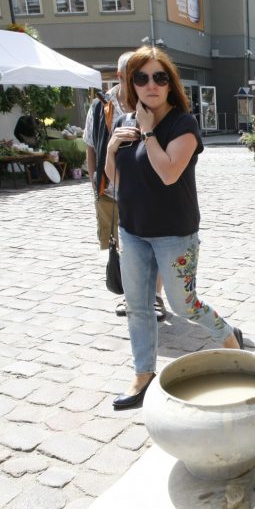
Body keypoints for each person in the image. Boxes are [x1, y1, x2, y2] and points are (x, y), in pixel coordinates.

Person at [103, 46, 242, 410]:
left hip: (174, 233)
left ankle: (229, 338)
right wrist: (111, 149)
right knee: (138, 306)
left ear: (170, 84)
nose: (151, 85)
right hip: (133, 231)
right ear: (131, 83)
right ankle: (143, 374)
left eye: (159, 77)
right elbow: (115, 178)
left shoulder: (183, 124)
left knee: (184, 305)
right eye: (142, 77)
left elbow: (168, 173)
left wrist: (149, 134)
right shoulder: (122, 123)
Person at [84, 51, 167, 321]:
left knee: (154, 243)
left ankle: (154, 296)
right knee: (122, 244)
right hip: (110, 187)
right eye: (136, 76)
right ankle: (130, 294)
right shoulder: (101, 105)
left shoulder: (151, 101)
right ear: (120, 77)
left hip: (147, 189)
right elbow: (90, 143)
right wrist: (94, 180)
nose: (143, 82)